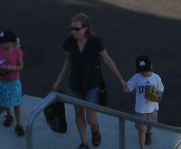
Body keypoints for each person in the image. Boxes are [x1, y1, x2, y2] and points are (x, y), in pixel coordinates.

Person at [52, 13, 130, 149]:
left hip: (92, 84)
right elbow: (68, 62)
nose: (73, 31)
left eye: (77, 28)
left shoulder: (95, 42)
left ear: (85, 28)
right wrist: (58, 81)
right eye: (72, 28)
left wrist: (120, 79)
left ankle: (95, 129)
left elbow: (107, 60)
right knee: (79, 114)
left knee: (91, 118)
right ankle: (84, 143)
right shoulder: (69, 42)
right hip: (75, 84)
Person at [0, 29, 25, 137]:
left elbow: (21, 66)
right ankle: (9, 116)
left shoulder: (17, 52)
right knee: (6, 101)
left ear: (11, 43)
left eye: (2, 42)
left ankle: (19, 124)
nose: (0, 44)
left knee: (16, 103)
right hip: (3, 82)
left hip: (14, 83)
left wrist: (11, 68)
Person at [127, 55, 164, 147]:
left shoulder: (156, 78)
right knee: (141, 130)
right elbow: (129, 87)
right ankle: (142, 146)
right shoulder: (136, 78)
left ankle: (149, 134)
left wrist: (156, 95)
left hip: (153, 109)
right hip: (140, 110)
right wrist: (125, 87)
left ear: (151, 66)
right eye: (142, 71)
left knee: (151, 124)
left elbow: (160, 89)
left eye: (146, 70)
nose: (144, 73)